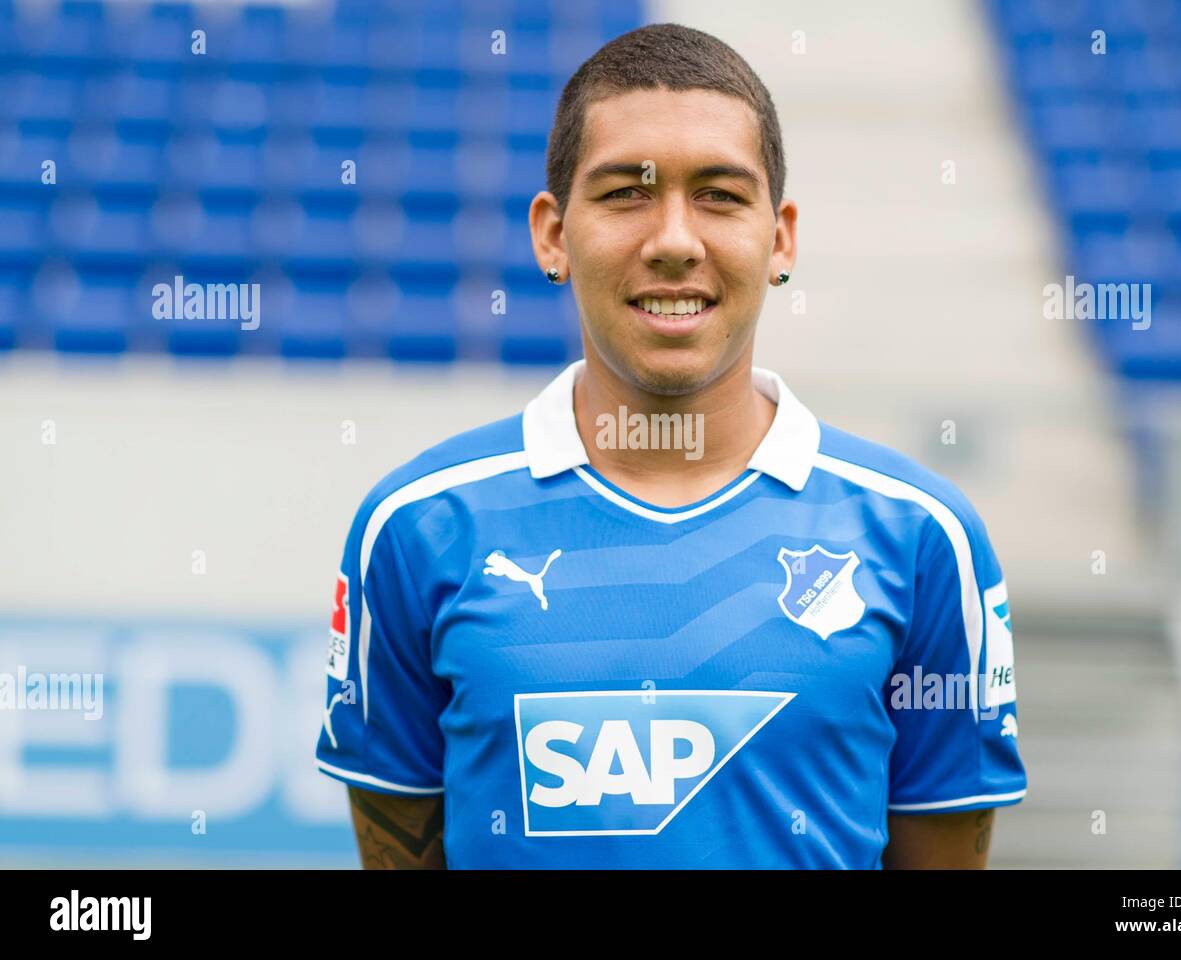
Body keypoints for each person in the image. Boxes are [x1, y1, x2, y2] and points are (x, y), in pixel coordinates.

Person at [316, 22, 1025, 869]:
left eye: (720, 195)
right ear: (552, 234)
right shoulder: (416, 528)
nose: (675, 241)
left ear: (781, 237)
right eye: (626, 193)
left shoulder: (920, 538)